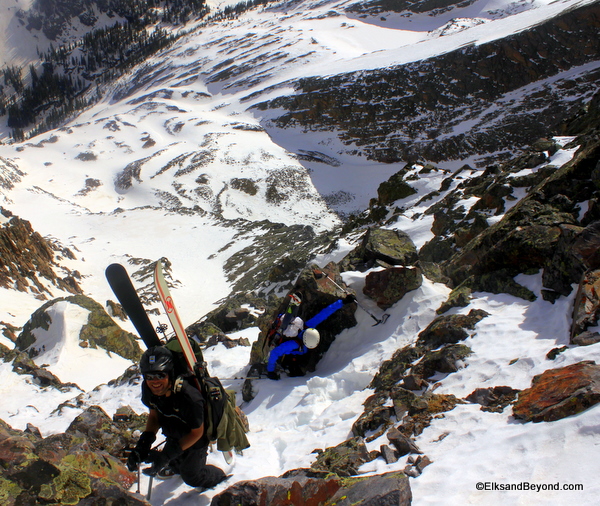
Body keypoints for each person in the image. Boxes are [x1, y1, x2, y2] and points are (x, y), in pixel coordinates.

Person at [126, 346, 227, 490]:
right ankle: (176, 466)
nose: (154, 381)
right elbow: (154, 416)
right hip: (173, 433)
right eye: (149, 376)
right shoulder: (149, 390)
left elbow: (197, 433)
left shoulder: (189, 397)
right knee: (174, 463)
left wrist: (166, 456)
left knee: (191, 476)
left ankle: (219, 476)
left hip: (195, 438)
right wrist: (144, 444)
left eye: (160, 375)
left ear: (170, 374)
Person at [266, 294, 356, 380]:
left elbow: (325, 313)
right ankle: (288, 369)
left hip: (298, 353)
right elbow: (274, 353)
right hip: (289, 357)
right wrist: (270, 371)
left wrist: (343, 302)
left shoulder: (308, 326)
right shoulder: (293, 344)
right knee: (295, 369)